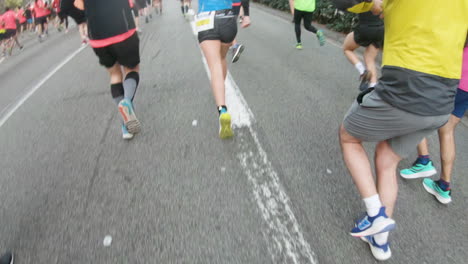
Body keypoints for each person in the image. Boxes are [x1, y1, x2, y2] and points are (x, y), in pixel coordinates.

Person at [334, 0, 467, 261]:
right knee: (387, 157)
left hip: (405, 87)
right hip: (442, 102)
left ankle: (375, 214)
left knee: (349, 137)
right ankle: (380, 241)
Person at [400, 39, 468, 205]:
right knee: (447, 130)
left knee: (415, 111)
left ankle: (424, 160)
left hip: (453, 76)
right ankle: (444, 186)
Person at [74, 0, 142, 139]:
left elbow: (78, 6)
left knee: (115, 75)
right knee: (132, 69)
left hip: (98, 36)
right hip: (123, 30)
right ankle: (127, 104)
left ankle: (126, 126)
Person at [196, 0, 250, 138]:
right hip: (227, 18)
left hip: (205, 19)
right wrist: (245, 15)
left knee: (214, 66)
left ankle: (222, 110)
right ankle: (221, 86)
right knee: (221, 59)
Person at [342, 11, 383, 90]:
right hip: (380, 29)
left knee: (347, 49)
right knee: (369, 58)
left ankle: (362, 71)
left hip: (366, 27)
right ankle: (373, 87)